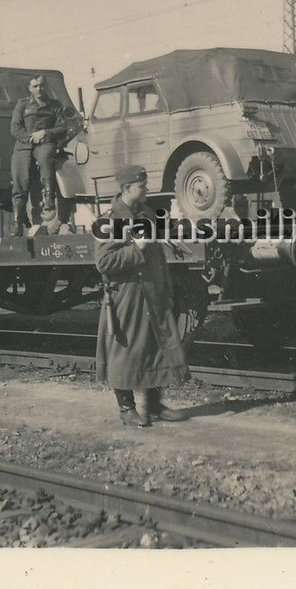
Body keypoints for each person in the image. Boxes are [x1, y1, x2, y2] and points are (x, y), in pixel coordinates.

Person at [94, 164, 190, 427]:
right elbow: (104, 262)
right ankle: (126, 409)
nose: (146, 189)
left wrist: (166, 288)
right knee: (126, 351)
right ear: (127, 189)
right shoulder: (111, 220)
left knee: (155, 348)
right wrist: (136, 248)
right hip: (128, 297)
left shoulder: (145, 213)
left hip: (152, 293)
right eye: (142, 186)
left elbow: (157, 257)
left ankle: (155, 406)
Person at [10, 75, 73, 235]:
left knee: (46, 158)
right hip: (25, 145)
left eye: (42, 85)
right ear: (30, 88)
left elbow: (62, 128)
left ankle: (48, 198)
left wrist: (45, 132)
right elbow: (15, 128)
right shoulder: (22, 105)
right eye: (36, 86)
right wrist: (31, 137)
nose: (40, 89)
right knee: (19, 174)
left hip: (45, 142)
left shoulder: (54, 105)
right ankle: (17, 222)